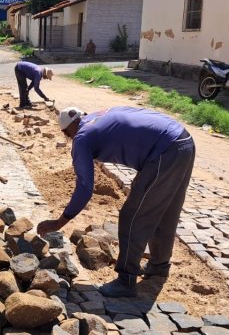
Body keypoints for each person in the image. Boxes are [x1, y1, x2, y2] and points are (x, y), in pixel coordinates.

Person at [37, 106, 195, 298]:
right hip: (183, 141)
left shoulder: (82, 137)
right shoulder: (97, 115)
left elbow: (85, 187)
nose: (69, 139)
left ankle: (126, 281)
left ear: (67, 130)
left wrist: (59, 222)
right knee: (166, 212)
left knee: (133, 216)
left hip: (164, 152)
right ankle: (159, 266)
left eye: (67, 135)